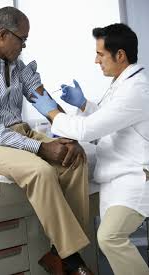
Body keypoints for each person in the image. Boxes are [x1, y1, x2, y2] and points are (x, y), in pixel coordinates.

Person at [0, 6, 95, 275]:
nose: (24, 45)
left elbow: (41, 97)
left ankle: (58, 254)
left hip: (18, 131)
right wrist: (41, 147)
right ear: (2, 35)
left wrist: (69, 134)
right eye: (22, 39)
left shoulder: (18, 65)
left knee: (74, 159)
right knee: (41, 170)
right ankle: (72, 261)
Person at [31, 23, 149, 275]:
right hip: (115, 176)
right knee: (107, 239)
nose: (96, 61)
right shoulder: (122, 83)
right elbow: (114, 121)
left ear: (120, 55)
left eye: (100, 54)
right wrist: (84, 104)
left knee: (110, 238)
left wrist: (51, 111)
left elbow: (88, 130)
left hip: (134, 178)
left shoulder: (136, 90)